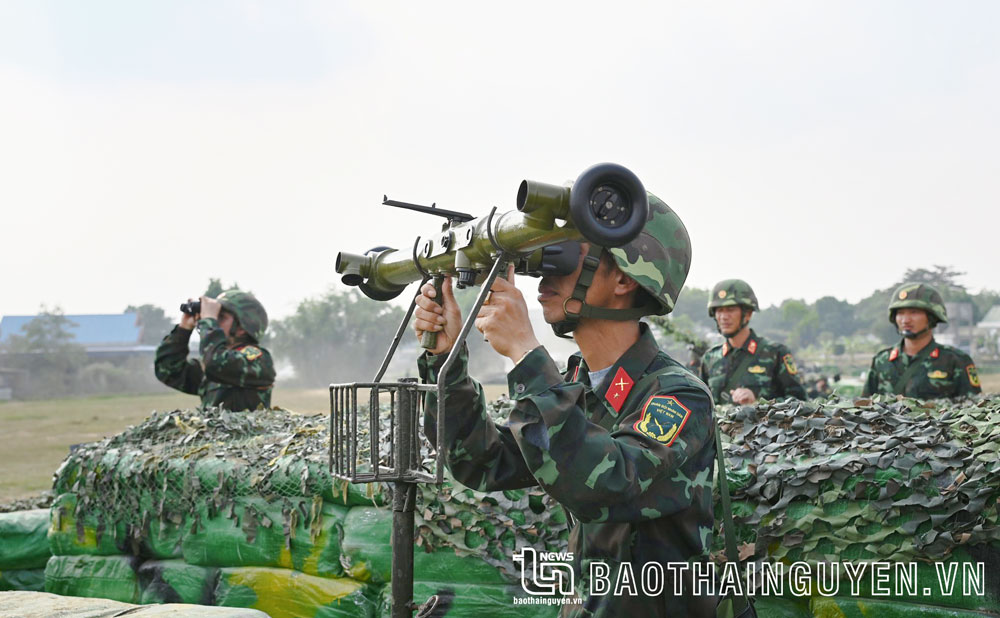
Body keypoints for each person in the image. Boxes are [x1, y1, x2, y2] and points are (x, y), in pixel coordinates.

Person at [414, 196, 717, 617]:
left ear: (624, 280)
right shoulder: (577, 382)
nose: (543, 278)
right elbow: (484, 462)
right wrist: (446, 362)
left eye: (568, 254)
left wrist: (524, 351)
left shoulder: (677, 395)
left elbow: (605, 485)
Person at [155, 289, 275, 411]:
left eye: (221, 317)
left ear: (241, 328)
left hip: (243, 430)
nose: (215, 321)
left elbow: (215, 363)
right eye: (215, 317)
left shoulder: (257, 359)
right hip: (215, 429)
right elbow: (168, 370)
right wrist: (183, 329)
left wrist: (209, 320)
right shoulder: (214, 362)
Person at [862, 283, 981, 399]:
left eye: (914, 312)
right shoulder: (882, 361)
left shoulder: (956, 360)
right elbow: (865, 409)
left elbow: (974, 410)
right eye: (900, 313)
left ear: (932, 317)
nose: (905, 320)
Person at [699, 279, 807, 404]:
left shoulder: (775, 353)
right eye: (719, 310)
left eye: (730, 309)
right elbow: (702, 406)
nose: (723, 317)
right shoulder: (710, 359)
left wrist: (758, 402)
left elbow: (801, 403)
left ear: (748, 314)